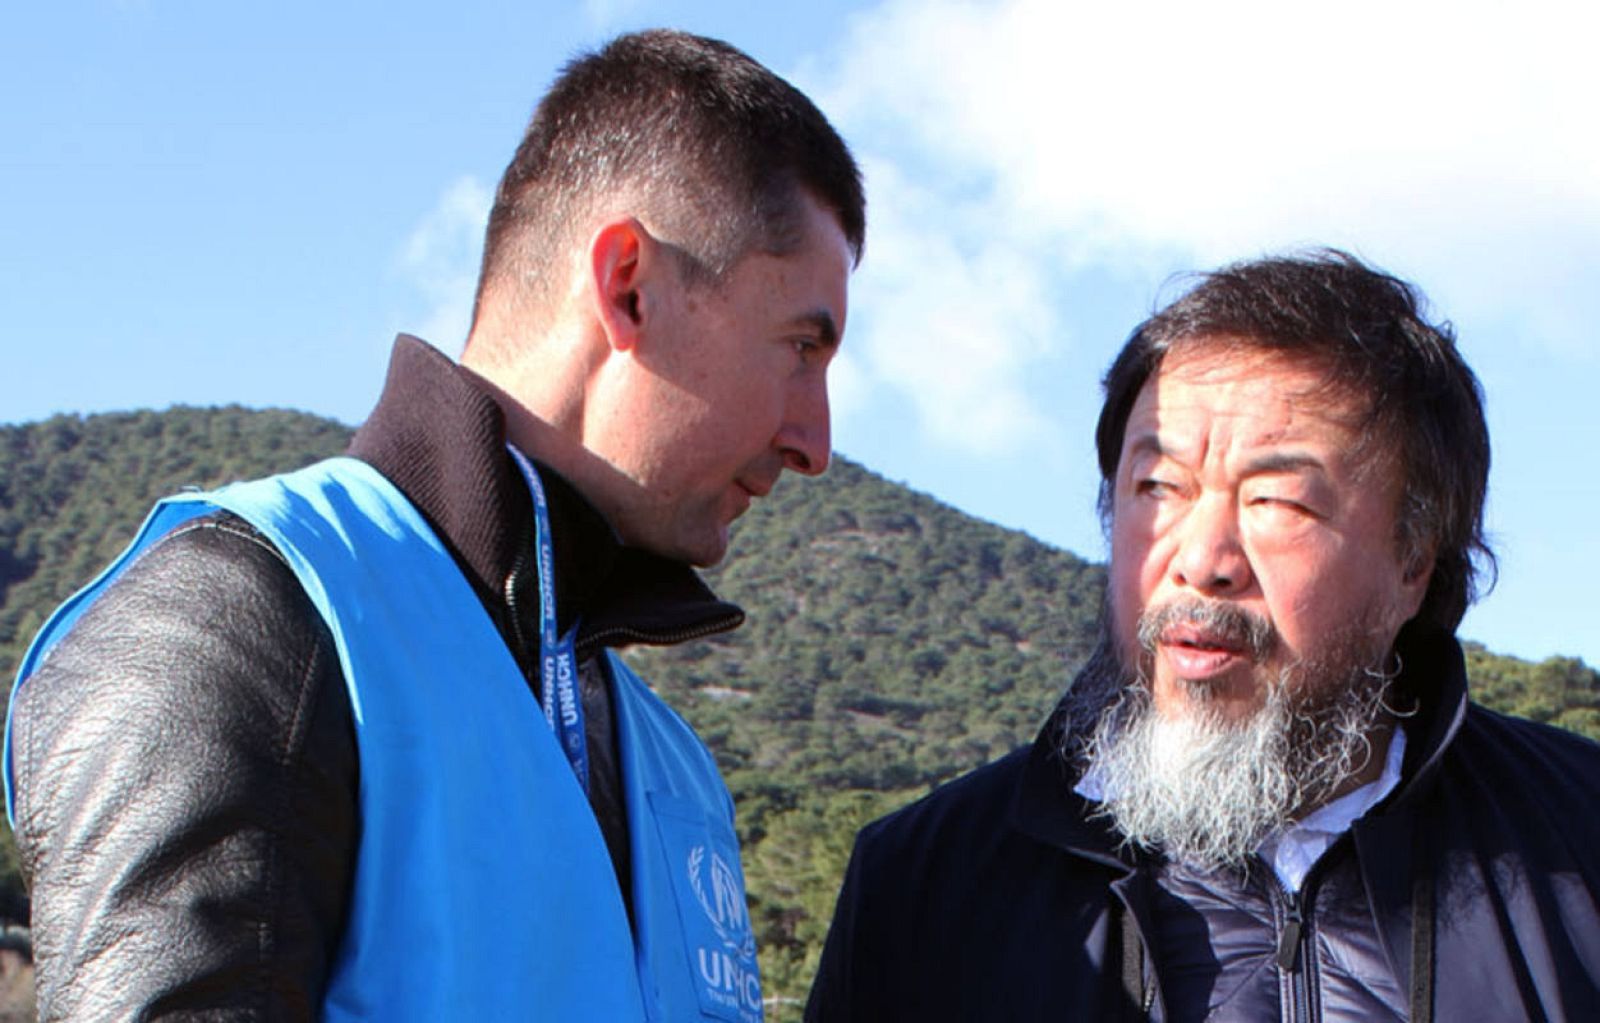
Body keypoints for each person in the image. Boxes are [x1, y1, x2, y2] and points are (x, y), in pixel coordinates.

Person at [6, 29, 863, 1021]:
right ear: (628, 285)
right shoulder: (241, 616)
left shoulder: (675, 766)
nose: (816, 441)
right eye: (801, 347)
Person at [806, 252, 1600, 1021]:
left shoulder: (1577, 839)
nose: (1201, 560)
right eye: (1158, 487)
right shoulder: (923, 888)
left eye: (1277, 501)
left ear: (1414, 559)